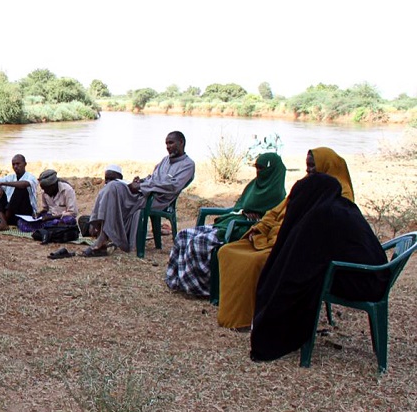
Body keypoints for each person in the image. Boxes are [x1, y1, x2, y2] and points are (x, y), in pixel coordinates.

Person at [250, 173, 388, 362]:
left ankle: (281, 337)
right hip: (377, 277)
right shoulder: (342, 205)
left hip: (364, 281)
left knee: (298, 284)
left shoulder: (324, 214)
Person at [216, 147, 353, 329]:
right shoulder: (304, 185)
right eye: (307, 166)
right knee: (228, 251)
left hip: (300, 247)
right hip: (276, 238)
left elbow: (317, 228)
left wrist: (281, 238)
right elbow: (275, 212)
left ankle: (255, 318)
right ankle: (238, 315)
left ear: (326, 166)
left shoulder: (340, 193)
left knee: (255, 261)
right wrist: (261, 228)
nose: (309, 171)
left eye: (313, 166)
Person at [164, 153, 286, 297]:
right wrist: (242, 211)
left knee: (198, 242)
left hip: (240, 228)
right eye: (257, 168)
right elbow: (242, 205)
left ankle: (202, 287)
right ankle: (176, 280)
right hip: (229, 221)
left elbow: (268, 220)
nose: (258, 172)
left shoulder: (276, 193)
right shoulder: (254, 185)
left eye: (262, 168)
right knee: (183, 235)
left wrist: (254, 218)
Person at [83, 131, 195, 257]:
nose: (168, 146)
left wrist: (141, 186)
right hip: (144, 192)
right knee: (112, 186)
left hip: (157, 199)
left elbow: (172, 186)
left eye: (171, 143)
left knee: (118, 200)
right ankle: (100, 230)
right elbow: (153, 178)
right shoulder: (165, 160)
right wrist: (140, 181)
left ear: (181, 142)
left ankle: (102, 240)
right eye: (166, 143)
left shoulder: (188, 165)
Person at [0, 154, 38, 231]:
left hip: (25, 213)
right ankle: (4, 221)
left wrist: (2, 183)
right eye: (13, 164)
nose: (15, 166)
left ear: (25, 164)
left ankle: (4, 221)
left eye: (18, 164)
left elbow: (23, 184)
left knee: (20, 188)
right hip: (11, 213)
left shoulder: (31, 177)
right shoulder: (11, 177)